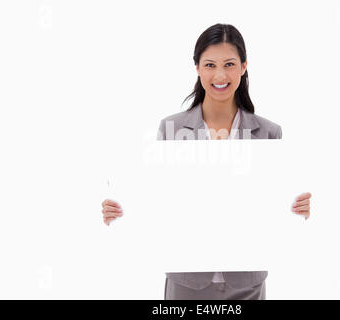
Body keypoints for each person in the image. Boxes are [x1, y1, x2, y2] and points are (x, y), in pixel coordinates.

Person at [101, 23, 312, 300]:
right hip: (187, 281)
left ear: (244, 66)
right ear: (198, 67)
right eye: (210, 65)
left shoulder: (270, 133)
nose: (220, 75)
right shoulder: (170, 129)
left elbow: (279, 210)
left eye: (229, 64)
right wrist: (121, 209)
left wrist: (300, 209)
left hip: (246, 282)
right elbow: (157, 197)